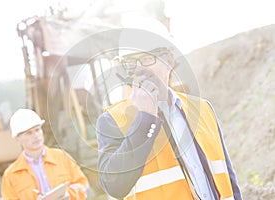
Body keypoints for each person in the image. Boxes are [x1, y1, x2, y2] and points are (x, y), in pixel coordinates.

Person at [96, 20, 242, 200]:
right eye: (131, 62)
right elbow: (114, 186)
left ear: (169, 60)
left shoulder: (203, 109)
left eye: (147, 58)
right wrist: (145, 119)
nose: (140, 69)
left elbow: (228, 178)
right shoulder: (112, 120)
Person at [1, 108, 88, 200]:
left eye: (37, 130)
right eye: (29, 133)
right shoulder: (11, 175)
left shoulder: (62, 157)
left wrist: (69, 194)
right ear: (17, 138)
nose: (36, 136)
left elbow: (82, 184)